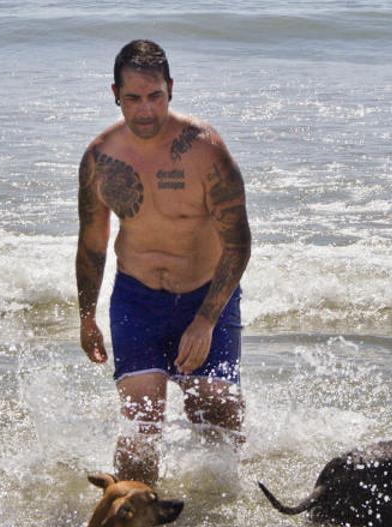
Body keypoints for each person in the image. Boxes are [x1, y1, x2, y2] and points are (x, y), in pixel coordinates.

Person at [75, 40, 251, 485]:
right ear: (115, 93)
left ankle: (219, 516)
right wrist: (86, 316)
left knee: (215, 413)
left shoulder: (205, 150)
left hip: (206, 295)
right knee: (140, 428)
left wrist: (206, 320)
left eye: (154, 96)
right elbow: (93, 244)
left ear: (170, 89)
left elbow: (238, 243)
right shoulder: (100, 159)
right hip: (137, 298)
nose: (145, 110)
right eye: (133, 98)